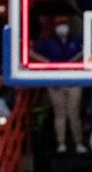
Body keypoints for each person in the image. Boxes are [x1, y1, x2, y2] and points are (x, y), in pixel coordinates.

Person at [30, 18, 86, 153]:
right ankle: (61, 144)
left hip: (73, 79)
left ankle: (79, 143)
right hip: (55, 80)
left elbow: (87, 51)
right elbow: (31, 52)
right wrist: (47, 63)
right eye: (59, 24)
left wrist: (76, 61)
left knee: (74, 113)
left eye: (64, 24)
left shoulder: (76, 40)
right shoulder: (48, 42)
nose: (62, 27)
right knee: (59, 113)